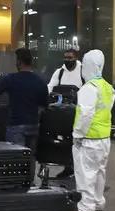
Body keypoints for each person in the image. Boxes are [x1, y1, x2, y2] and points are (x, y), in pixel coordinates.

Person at [72, 49, 115, 211]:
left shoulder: (88, 88)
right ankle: (97, 202)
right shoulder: (107, 87)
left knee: (85, 174)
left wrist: (78, 134)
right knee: (99, 173)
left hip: (89, 138)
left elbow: (85, 114)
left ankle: (85, 207)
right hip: (104, 138)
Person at [0, 48, 48, 153]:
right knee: (30, 158)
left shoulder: (11, 78)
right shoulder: (40, 81)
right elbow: (44, 104)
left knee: (17, 159)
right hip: (33, 125)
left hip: (16, 125)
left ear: (19, 62)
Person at [48, 49, 83, 178]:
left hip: (79, 113)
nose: (68, 60)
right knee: (65, 142)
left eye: (70, 58)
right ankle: (68, 167)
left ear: (76, 58)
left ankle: (78, 169)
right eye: (66, 58)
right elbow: (50, 87)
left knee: (78, 142)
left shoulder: (82, 71)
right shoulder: (60, 72)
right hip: (62, 114)